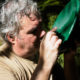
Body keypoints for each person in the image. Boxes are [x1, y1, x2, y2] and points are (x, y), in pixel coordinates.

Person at [0, 0, 62, 80]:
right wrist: (45, 63)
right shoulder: (3, 66)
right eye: (34, 31)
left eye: (41, 26)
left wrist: (69, 57)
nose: (43, 33)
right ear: (12, 37)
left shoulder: (36, 51)